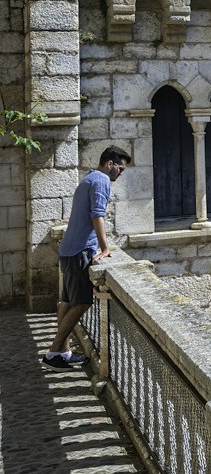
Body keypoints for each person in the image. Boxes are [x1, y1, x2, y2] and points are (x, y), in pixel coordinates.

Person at [45, 146, 131, 366]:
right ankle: (54, 352)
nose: (120, 174)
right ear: (109, 164)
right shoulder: (101, 180)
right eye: (119, 168)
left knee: (67, 301)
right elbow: (98, 216)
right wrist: (104, 248)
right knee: (82, 303)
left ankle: (63, 351)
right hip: (80, 251)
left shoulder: (89, 178)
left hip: (68, 250)